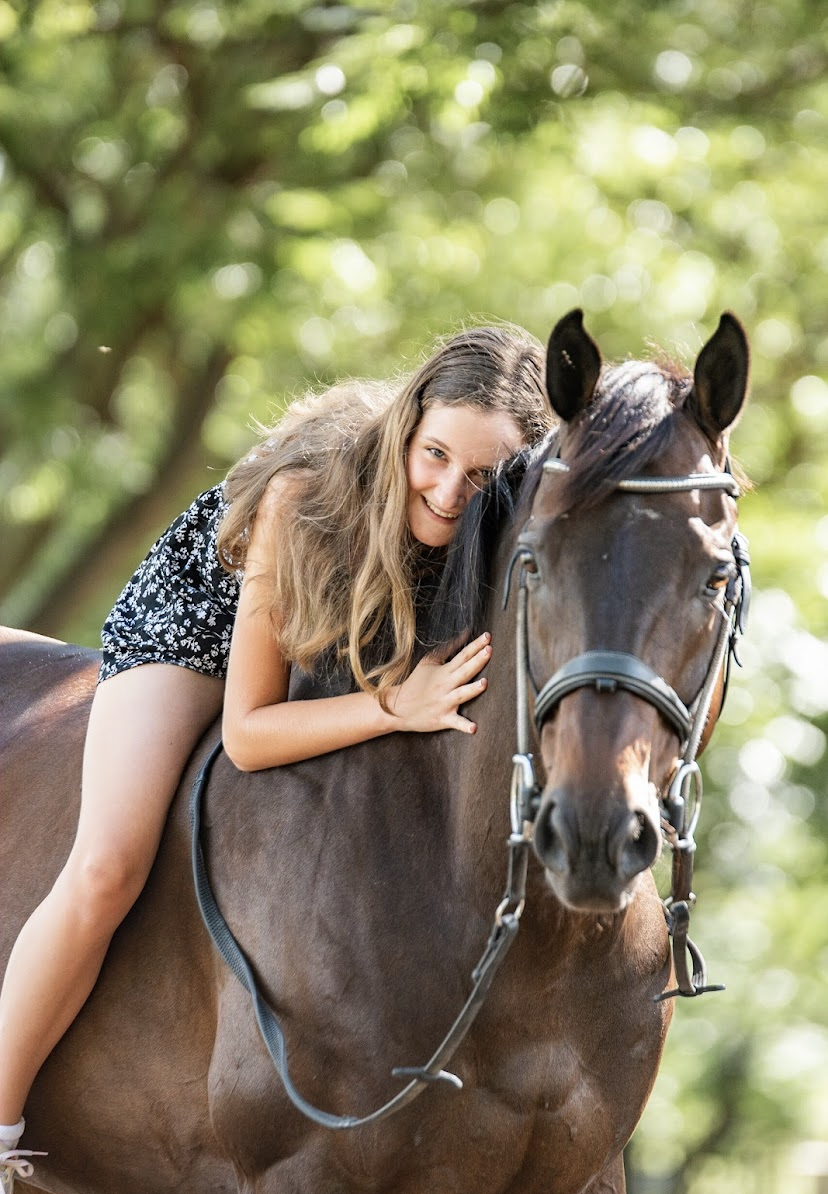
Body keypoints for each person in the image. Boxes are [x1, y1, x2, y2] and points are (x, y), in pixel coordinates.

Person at [0, 324, 552, 1189]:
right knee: (108, 864)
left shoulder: (506, 532)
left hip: (348, 651)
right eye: (435, 453)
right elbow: (251, 732)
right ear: (407, 430)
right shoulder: (308, 496)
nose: (449, 491)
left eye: (482, 476)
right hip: (200, 637)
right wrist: (395, 707)